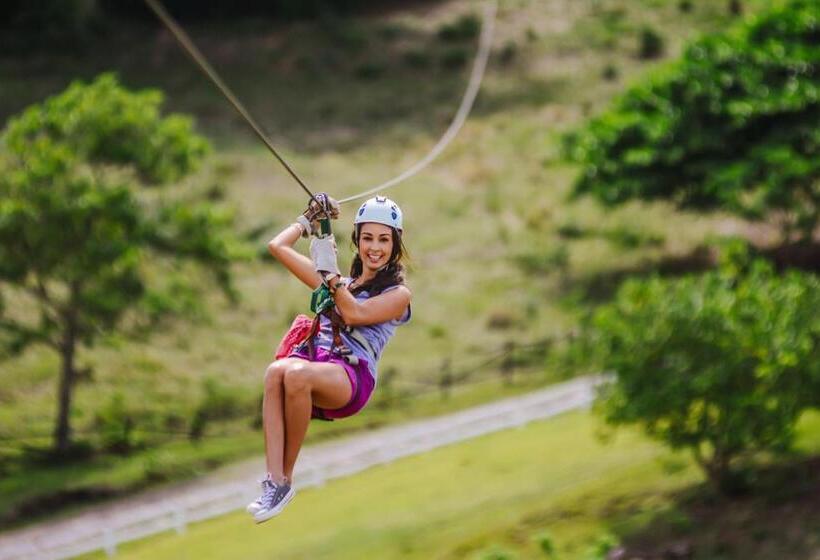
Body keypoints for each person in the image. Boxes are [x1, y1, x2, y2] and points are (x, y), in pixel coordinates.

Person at [248, 194, 411, 523]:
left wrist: (330, 272)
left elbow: (354, 313)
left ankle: (284, 482)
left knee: (295, 374)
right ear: (357, 239)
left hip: (352, 376)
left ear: (395, 245)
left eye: (383, 240)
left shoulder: (398, 294)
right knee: (275, 372)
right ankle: (272, 480)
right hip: (321, 365)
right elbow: (277, 247)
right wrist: (308, 221)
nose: (375, 248)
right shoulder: (340, 282)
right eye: (367, 238)